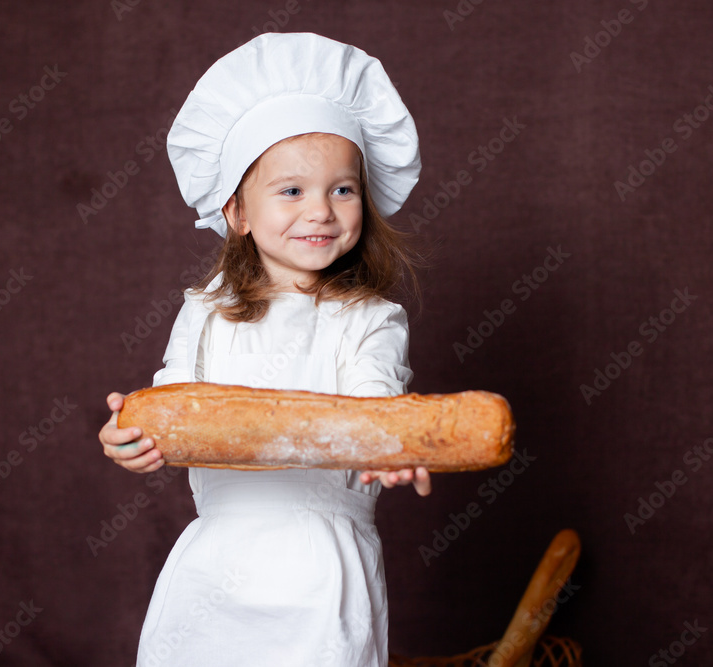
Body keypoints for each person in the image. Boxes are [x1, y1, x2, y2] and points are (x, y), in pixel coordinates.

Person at [98, 33, 431, 666]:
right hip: (213, 573)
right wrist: (130, 436)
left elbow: (376, 408)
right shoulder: (205, 311)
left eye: (343, 189)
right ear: (237, 212)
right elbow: (170, 407)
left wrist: (393, 446)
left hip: (322, 578)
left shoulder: (372, 320)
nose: (321, 211)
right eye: (291, 191)